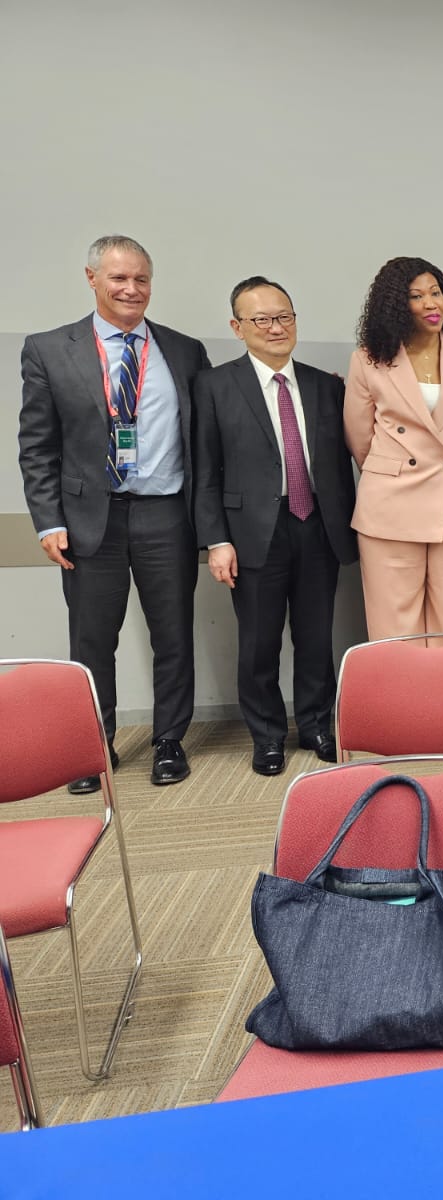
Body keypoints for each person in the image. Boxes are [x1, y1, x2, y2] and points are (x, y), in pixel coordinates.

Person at [18, 235, 211, 792]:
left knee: (173, 635)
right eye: (119, 278)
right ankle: (94, 747)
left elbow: (207, 434)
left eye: (141, 279)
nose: (131, 289)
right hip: (88, 520)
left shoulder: (184, 350)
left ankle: (168, 741)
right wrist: (49, 520)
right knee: (92, 641)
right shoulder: (49, 349)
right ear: (92, 279)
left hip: (166, 514)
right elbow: (37, 446)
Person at [194, 276, 358, 775]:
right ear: (237, 327)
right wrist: (216, 540)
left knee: (316, 638)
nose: (275, 327)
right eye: (261, 319)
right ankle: (266, 736)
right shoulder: (213, 386)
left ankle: (316, 725)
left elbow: (342, 463)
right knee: (258, 644)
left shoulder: (326, 385)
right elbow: (205, 470)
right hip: (251, 535)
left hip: (317, 527)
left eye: (284, 316)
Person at [344, 257, 443, 640]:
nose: (431, 304)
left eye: (436, 293)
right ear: (395, 305)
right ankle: (399, 686)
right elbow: (360, 438)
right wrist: (393, 469)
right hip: (390, 507)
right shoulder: (368, 360)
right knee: (393, 628)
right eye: (416, 296)